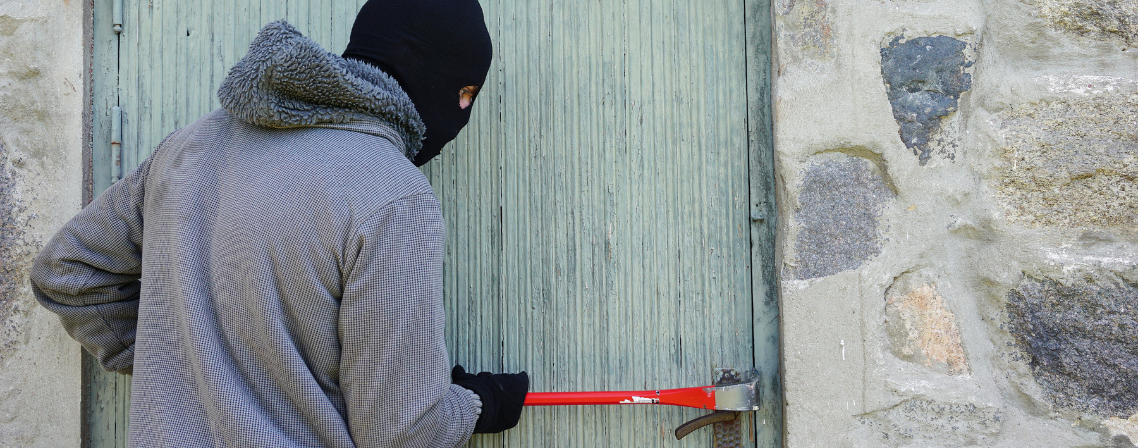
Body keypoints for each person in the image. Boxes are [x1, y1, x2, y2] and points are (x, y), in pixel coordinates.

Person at [29, 0, 527, 446]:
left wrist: (188, 361)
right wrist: (480, 403)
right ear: (418, 64)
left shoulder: (191, 147)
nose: (463, 111)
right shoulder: (394, 194)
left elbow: (69, 272)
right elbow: (402, 432)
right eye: (464, 90)